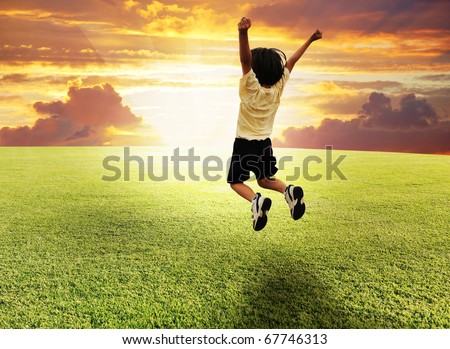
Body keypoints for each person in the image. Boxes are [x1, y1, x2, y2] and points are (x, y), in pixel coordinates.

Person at [227, 17, 322, 231]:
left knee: (236, 182)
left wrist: (243, 33)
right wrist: (311, 39)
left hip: (244, 145)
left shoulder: (251, 89)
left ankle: (255, 201)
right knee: (264, 178)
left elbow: (244, 62)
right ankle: (288, 190)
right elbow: (292, 62)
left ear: (255, 71)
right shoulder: (278, 89)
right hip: (265, 145)